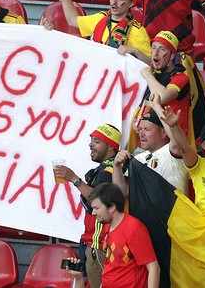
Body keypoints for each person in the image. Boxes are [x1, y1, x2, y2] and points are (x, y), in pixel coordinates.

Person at [54, 123, 122, 288]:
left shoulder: (109, 171)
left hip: (99, 244)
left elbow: (99, 201)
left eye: (97, 141)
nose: (91, 144)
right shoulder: (104, 169)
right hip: (93, 241)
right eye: (91, 140)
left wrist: (74, 179)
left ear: (111, 147)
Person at [66, 183, 160, 288]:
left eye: (96, 208)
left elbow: (154, 268)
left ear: (111, 207)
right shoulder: (107, 226)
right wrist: (79, 277)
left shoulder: (134, 229)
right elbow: (111, 265)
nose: (93, 213)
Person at [56, 0, 151, 64]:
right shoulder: (100, 18)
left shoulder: (137, 31)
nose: (114, 2)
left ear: (130, 4)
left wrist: (134, 51)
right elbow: (72, 19)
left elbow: (151, 63)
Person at [113, 107, 188, 196]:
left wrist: (155, 105)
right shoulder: (138, 159)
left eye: (147, 129)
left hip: (173, 209)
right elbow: (121, 193)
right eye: (140, 129)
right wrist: (116, 166)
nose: (141, 134)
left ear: (164, 133)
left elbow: (177, 141)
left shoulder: (173, 153)